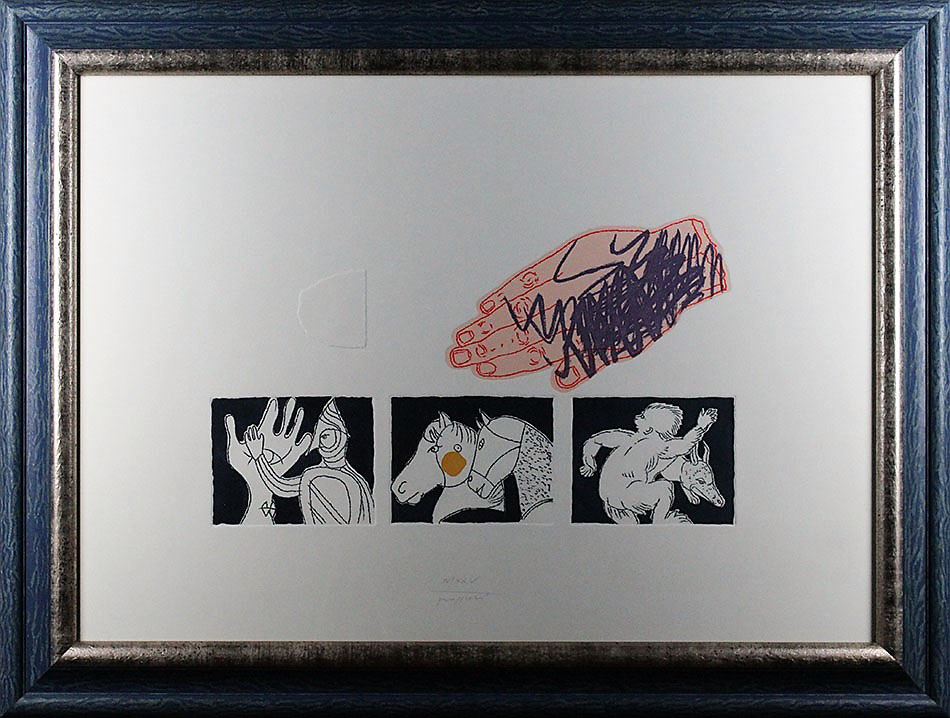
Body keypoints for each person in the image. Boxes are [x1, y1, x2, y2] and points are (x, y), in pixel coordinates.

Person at [579, 403, 716, 524]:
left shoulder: (627, 437)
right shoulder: (660, 447)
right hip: (625, 494)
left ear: (650, 428)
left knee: (631, 529)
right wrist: (702, 426)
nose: (638, 417)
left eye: (643, 416)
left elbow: (595, 440)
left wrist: (589, 463)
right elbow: (686, 443)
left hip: (607, 495)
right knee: (665, 488)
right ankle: (659, 522)